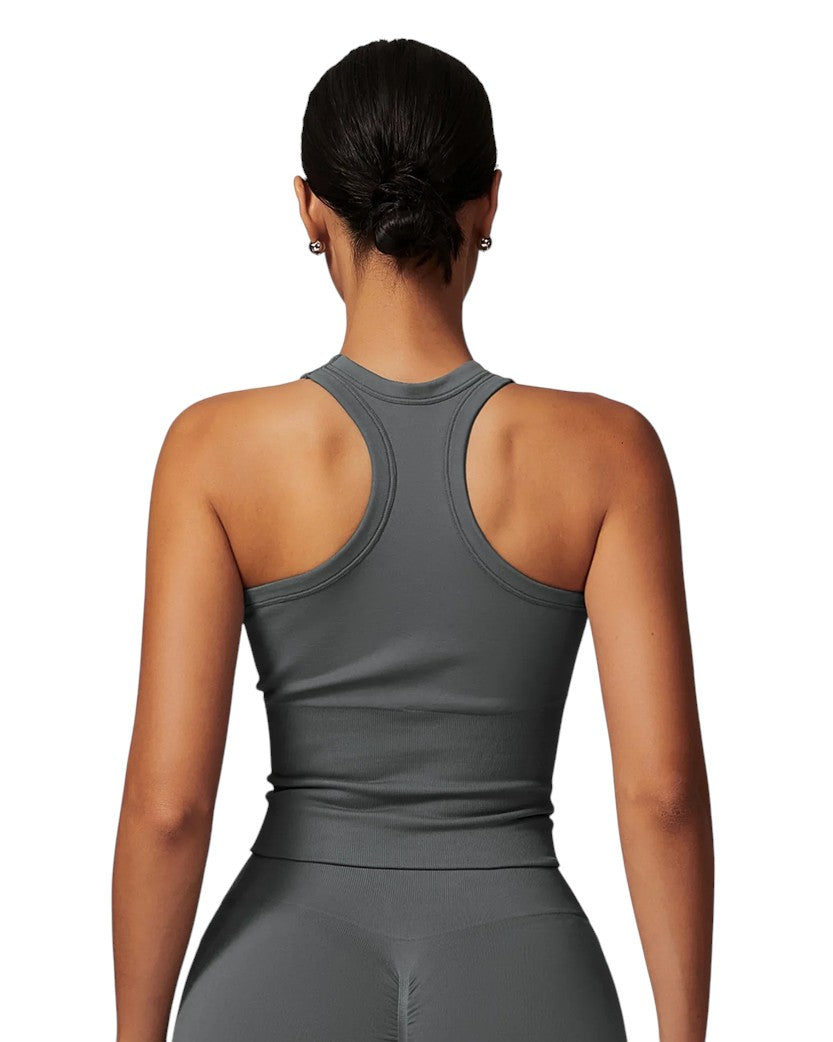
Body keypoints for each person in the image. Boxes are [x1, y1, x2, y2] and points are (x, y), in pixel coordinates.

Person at [112, 37, 713, 1042]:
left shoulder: (213, 451)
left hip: (275, 971)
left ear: (309, 208)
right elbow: (662, 795)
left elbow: (168, 806)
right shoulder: (608, 453)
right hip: (525, 970)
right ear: (489, 202)